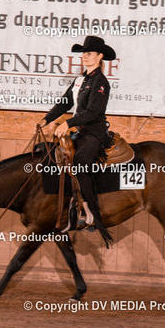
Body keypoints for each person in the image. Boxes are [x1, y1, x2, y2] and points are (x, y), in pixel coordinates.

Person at [37, 36, 116, 248]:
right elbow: (65, 102)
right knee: (54, 156)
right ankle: (68, 206)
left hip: (94, 132)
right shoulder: (80, 80)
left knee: (81, 162)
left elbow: (93, 112)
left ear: (99, 56)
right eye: (83, 53)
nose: (84, 57)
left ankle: (92, 213)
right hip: (80, 131)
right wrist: (47, 119)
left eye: (89, 53)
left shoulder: (101, 82)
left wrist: (68, 123)